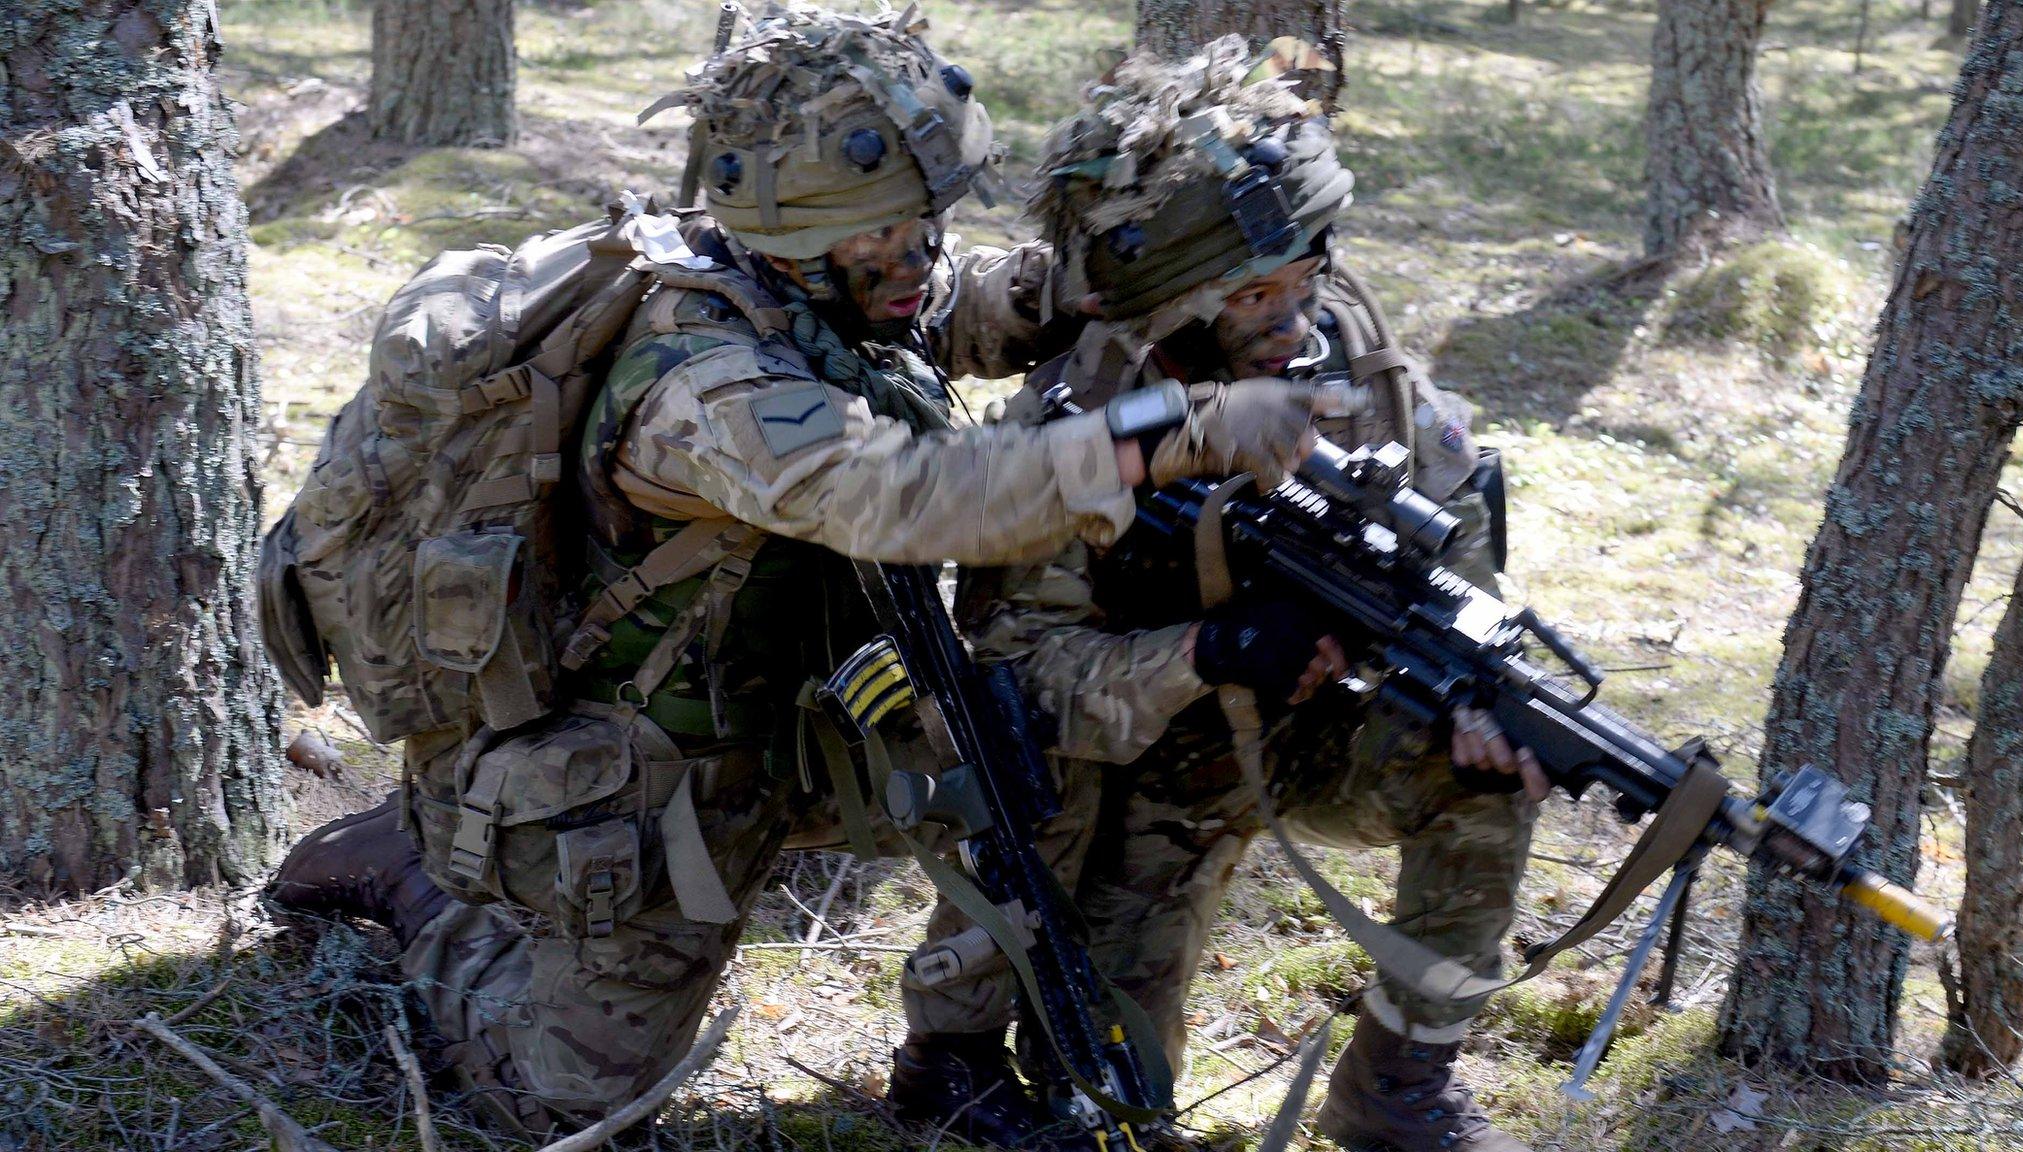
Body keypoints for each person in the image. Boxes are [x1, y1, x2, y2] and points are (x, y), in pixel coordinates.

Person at [267, 8, 1343, 1139]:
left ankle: (958, 1050)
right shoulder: (703, 383)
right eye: (886, 241)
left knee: (1022, 735)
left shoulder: (826, 278)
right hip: (641, 770)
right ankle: (416, 882)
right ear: (790, 238)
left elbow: (949, 311)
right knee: (572, 1099)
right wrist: (1177, 432)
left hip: (795, 709)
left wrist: (1110, 266)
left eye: (926, 225)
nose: (916, 261)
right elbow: (902, 494)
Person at [890, 38, 1546, 1152]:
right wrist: (1208, 651)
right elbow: (1019, 679)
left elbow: (1456, 556)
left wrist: (1479, 694)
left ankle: (1400, 1080)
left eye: (1307, 277)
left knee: (1480, 773)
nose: (1292, 319)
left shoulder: (1364, 378)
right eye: (1252, 295)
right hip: (1110, 768)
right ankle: (949, 1051)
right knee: (1107, 1103)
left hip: (1285, 736)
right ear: (1170, 306)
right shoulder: (1083, 423)